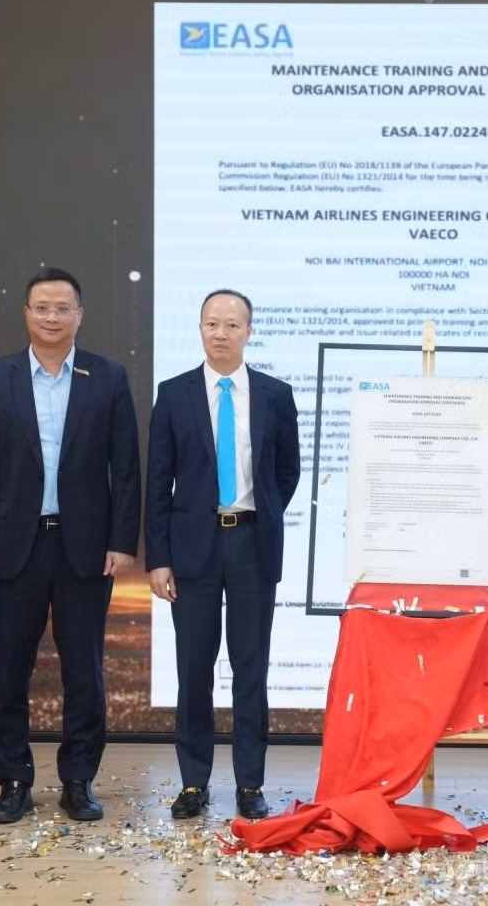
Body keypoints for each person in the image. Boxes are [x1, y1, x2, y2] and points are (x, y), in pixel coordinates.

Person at [0, 266, 141, 824]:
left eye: (63, 308)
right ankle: (13, 781)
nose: (52, 316)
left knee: (84, 671)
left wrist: (122, 540)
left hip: (84, 547)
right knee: (7, 671)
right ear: (26, 313)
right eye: (42, 307)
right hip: (12, 547)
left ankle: (78, 780)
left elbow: (126, 468)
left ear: (79, 316)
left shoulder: (108, 377)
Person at [144, 289, 301, 821]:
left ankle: (250, 784)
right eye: (212, 323)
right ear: (199, 328)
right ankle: (194, 782)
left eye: (232, 324)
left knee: (251, 667)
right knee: (194, 667)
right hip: (192, 546)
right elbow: (157, 482)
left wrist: (265, 512)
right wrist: (158, 558)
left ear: (248, 331)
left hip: (253, 542)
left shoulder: (276, 395)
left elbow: (287, 471)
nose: (221, 333)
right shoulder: (174, 394)